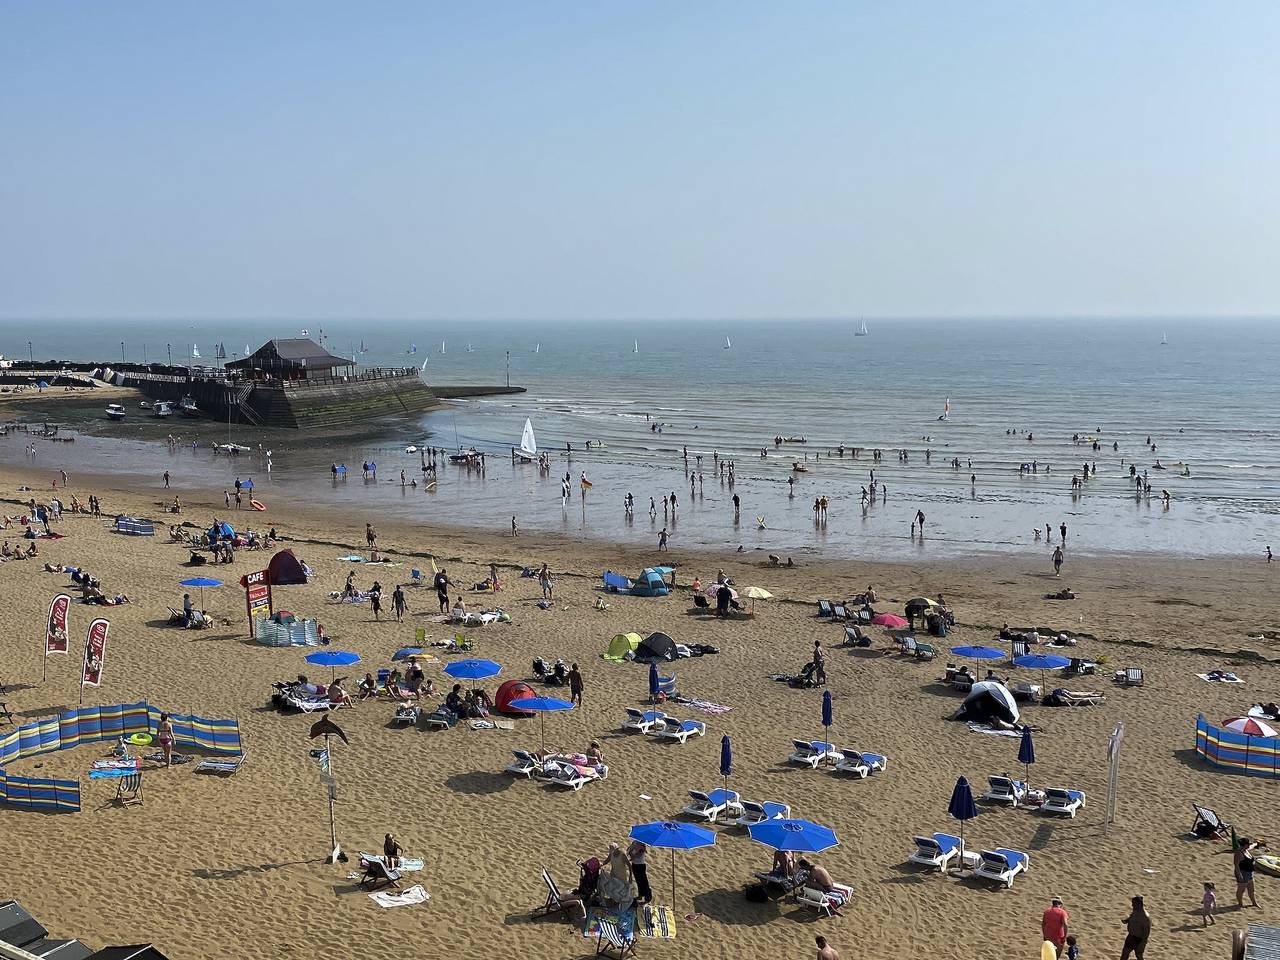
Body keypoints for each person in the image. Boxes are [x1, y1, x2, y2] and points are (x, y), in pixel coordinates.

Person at [1121, 895, 1151, 960]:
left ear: (1140, 905)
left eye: (1134, 904)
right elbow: (1132, 916)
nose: (1132, 905)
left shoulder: (1145, 917)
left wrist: (1142, 944)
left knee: (1139, 955)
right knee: (1124, 954)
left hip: (1139, 939)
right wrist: (1127, 920)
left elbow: (1146, 933)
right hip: (1131, 936)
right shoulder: (1135, 910)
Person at [1234, 837, 1261, 908]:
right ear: (1244, 845)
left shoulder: (1246, 849)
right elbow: (1236, 865)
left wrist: (1256, 843)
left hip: (1250, 873)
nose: (1249, 845)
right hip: (1243, 873)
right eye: (1248, 844)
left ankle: (1254, 903)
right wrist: (1239, 876)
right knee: (1241, 890)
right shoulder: (1239, 853)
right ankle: (1240, 903)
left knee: (1251, 889)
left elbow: (1251, 846)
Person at [627, 837, 651, 904]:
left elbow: (636, 855)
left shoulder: (642, 846)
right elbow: (628, 850)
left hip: (640, 865)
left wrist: (631, 854)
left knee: (643, 882)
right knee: (638, 881)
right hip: (634, 865)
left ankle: (647, 898)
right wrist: (631, 853)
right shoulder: (634, 842)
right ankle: (640, 895)